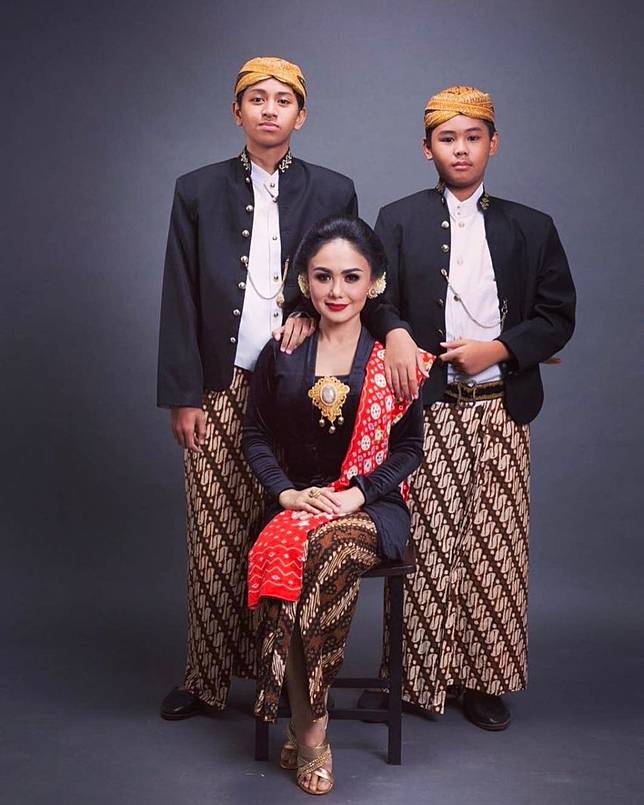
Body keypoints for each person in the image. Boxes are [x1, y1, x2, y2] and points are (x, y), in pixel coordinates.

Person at [357, 85, 576, 730]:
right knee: (425, 541)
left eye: (473, 137)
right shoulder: (398, 219)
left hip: (502, 407)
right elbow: (372, 296)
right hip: (425, 407)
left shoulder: (532, 226)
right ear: (427, 149)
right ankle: (413, 678)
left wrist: (499, 349)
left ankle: (484, 680)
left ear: (493, 144)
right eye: (447, 139)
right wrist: (396, 331)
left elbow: (557, 316)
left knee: (495, 546)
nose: (460, 149)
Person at [157, 57, 358, 721]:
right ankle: (206, 677)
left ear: (302, 114)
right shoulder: (196, 189)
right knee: (213, 534)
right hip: (220, 384)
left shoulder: (334, 189)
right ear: (236, 110)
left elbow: (348, 279)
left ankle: (280, 682)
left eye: (283, 100)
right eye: (256, 98)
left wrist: (309, 309)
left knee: (284, 529)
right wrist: (184, 393)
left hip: (301, 390)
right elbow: (181, 296)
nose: (270, 110)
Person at [242, 216, 432, 794]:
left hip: (372, 508)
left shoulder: (390, 357)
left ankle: (309, 727)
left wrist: (356, 494)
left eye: (352, 277)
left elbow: (409, 449)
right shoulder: (283, 352)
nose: (337, 290)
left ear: (374, 283)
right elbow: (255, 434)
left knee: (325, 549)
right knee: (305, 548)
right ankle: (310, 724)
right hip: (299, 502)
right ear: (305, 281)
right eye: (323, 277)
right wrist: (287, 492)